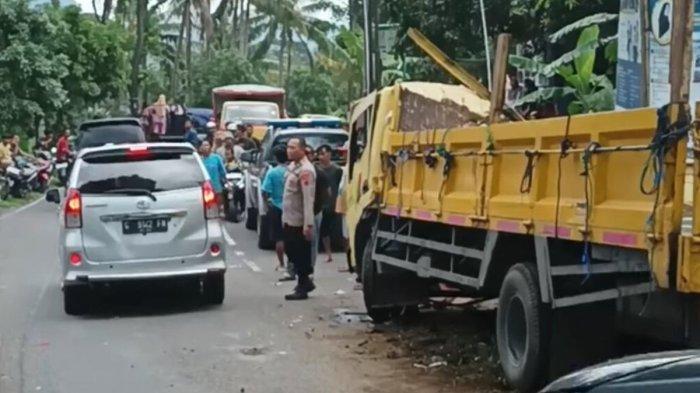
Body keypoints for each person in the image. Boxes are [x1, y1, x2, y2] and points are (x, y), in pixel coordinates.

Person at [282, 137, 316, 301]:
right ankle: (305, 282)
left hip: (299, 220)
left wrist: (308, 224)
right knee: (291, 250)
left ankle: (303, 285)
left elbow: (308, 199)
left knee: (300, 253)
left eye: (293, 147)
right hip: (289, 218)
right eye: (288, 147)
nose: (289, 150)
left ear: (303, 150)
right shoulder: (293, 167)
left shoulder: (306, 170)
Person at [262, 146, 288, 273]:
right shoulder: (292, 171)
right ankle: (292, 263)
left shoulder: (272, 173)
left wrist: (267, 204)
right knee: (292, 237)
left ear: (276, 158)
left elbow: (265, 191)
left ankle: (282, 263)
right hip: (291, 207)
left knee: (279, 238)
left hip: (277, 207)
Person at [316, 145, 343, 263]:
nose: (322, 156)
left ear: (330, 154)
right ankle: (328, 253)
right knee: (323, 230)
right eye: (320, 154)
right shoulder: (315, 170)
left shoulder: (337, 170)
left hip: (334, 204)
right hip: (321, 204)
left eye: (324, 153)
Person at [199, 140, 227, 210]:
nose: (205, 147)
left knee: (219, 204)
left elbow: (222, 171)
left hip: (216, 185)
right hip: (204, 186)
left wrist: (224, 180)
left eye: (207, 145)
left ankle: (221, 210)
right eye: (203, 145)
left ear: (210, 147)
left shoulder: (216, 158)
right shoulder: (199, 159)